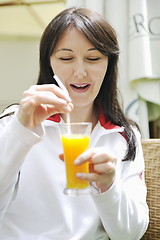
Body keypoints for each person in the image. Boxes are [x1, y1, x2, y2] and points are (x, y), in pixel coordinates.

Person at [0, 7, 149, 240]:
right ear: (49, 62)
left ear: (109, 64)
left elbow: (130, 235)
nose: (80, 72)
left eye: (93, 58)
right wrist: (19, 132)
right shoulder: (15, 123)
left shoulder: (124, 136)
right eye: (66, 58)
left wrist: (109, 187)